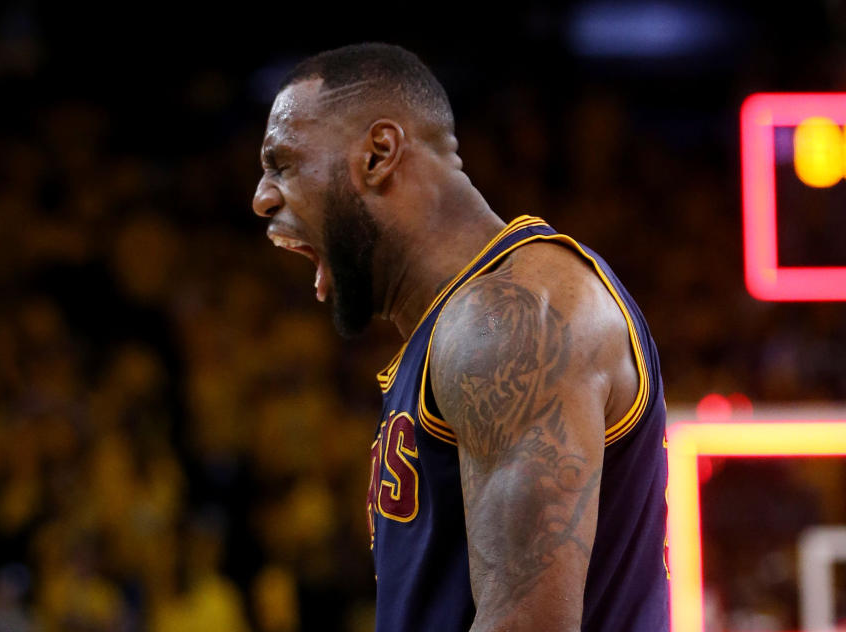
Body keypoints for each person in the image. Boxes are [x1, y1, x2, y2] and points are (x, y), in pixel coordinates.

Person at [251, 43, 669, 632]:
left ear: (378, 155)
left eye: (283, 163)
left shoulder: (506, 321)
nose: (262, 197)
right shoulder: (459, 325)